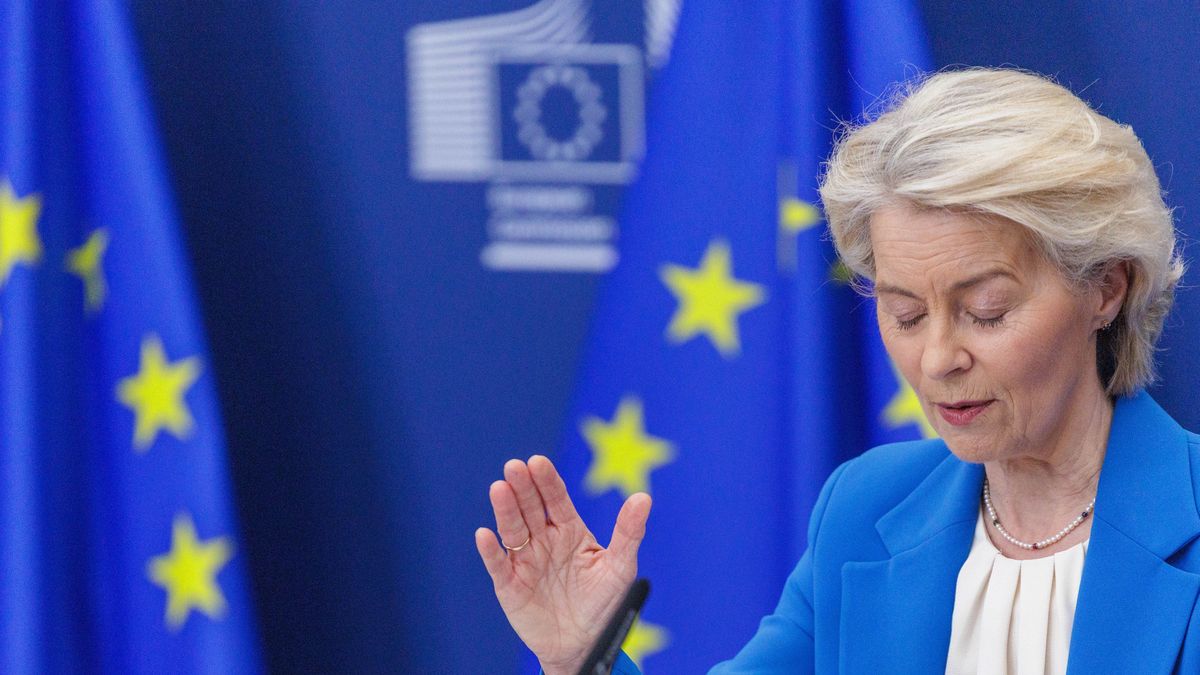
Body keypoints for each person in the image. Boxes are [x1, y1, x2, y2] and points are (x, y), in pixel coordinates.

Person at [475, 68, 1200, 674]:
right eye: (906, 313)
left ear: (1107, 287)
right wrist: (585, 655)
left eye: (985, 309)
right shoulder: (865, 508)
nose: (938, 358)